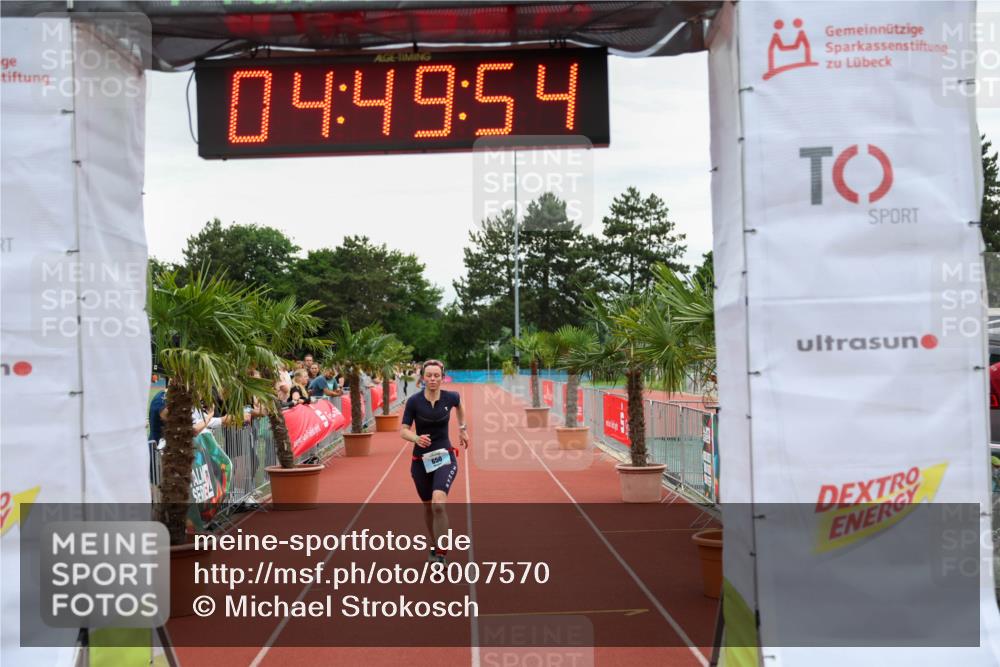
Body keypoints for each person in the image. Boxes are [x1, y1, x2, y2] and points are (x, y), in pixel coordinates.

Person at [399, 359, 469, 563]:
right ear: (423, 377)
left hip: (444, 456)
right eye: (429, 375)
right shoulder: (414, 401)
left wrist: (463, 429)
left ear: (442, 377)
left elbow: (459, 406)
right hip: (420, 460)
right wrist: (416, 438)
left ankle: (441, 552)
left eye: (436, 375)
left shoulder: (451, 397)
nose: (432, 379)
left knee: (439, 503)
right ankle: (434, 542)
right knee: (428, 506)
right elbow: (403, 430)